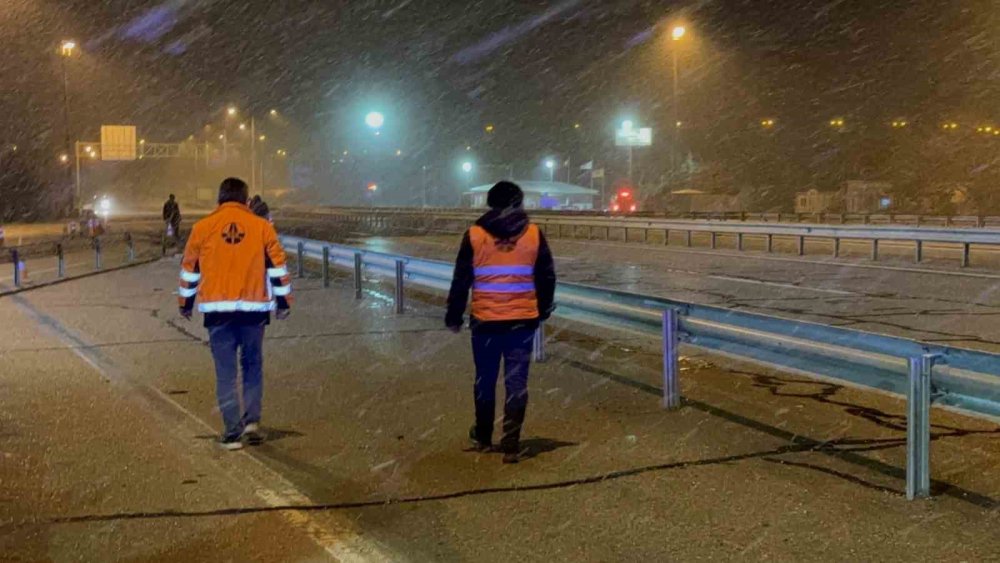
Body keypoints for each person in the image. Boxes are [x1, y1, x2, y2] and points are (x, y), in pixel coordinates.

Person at [445, 181, 557, 464]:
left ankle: (483, 436)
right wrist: (543, 309)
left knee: (485, 379)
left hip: (486, 321)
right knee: (516, 380)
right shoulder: (533, 234)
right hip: (522, 321)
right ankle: (511, 443)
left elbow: (461, 279)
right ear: (519, 203)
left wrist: (454, 315)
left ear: (490, 203)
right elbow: (546, 276)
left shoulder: (474, 235)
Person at [178, 178, 293, 450]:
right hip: (253, 311)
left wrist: (185, 303)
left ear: (219, 198)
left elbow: (190, 269)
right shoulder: (262, 227)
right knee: (252, 365)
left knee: (225, 371)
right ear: (245, 199)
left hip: (218, 313)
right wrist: (284, 302)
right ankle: (252, 422)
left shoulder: (202, 228)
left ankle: (232, 432)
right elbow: (278, 266)